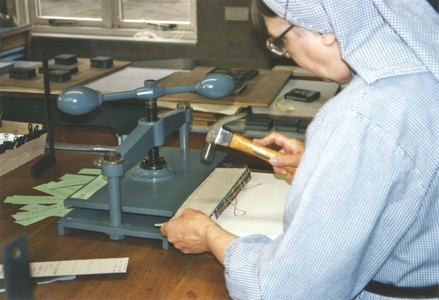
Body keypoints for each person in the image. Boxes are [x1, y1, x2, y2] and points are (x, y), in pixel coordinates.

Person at [161, 0, 439, 298]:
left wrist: (208, 234)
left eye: (281, 40)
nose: (289, 54)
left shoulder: (357, 117)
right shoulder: (423, 70)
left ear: (326, 29)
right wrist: (331, 159)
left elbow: (289, 290)